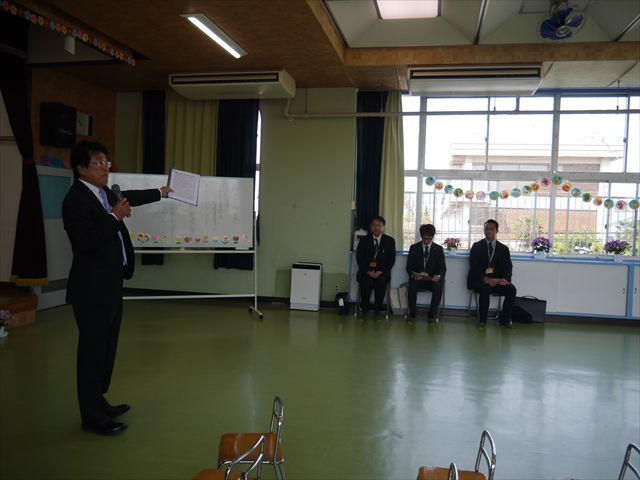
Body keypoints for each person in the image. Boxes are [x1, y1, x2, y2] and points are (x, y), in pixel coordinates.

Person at [62, 140, 171, 436]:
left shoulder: (103, 192)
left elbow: (128, 197)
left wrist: (159, 192)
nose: (105, 168)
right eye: (98, 162)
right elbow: (85, 242)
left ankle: (99, 402)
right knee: (91, 353)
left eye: (106, 162)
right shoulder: (75, 200)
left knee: (106, 348)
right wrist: (114, 217)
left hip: (110, 284)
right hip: (90, 289)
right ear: (81, 169)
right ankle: (91, 418)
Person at [467, 219, 517, 328]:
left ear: (496, 231)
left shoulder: (503, 249)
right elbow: (473, 266)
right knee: (485, 288)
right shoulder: (477, 246)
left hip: (498, 281)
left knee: (511, 289)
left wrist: (505, 279)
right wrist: (484, 278)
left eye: (491, 229)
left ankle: (505, 321)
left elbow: (508, 267)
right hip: (481, 280)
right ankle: (482, 321)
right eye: (486, 229)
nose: (488, 231)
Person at [356, 216, 396, 317]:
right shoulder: (364, 240)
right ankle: (364, 308)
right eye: (374, 225)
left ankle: (377, 310)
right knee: (367, 281)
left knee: (381, 282)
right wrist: (368, 271)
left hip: (382, 273)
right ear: (370, 227)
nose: (376, 227)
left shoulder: (390, 241)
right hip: (366, 272)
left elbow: (391, 260)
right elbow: (359, 258)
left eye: (379, 225)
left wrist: (380, 272)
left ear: (383, 227)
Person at [406, 224, 446, 322]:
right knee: (412, 284)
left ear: (433, 237)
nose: (426, 241)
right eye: (424, 238)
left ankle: (432, 314)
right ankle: (412, 313)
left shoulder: (438, 249)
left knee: (438, 287)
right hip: (418, 279)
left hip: (432, 279)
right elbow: (409, 267)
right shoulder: (414, 248)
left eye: (429, 239)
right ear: (421, 236)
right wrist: (413, 274)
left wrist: (438, 276)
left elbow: (442, 268)